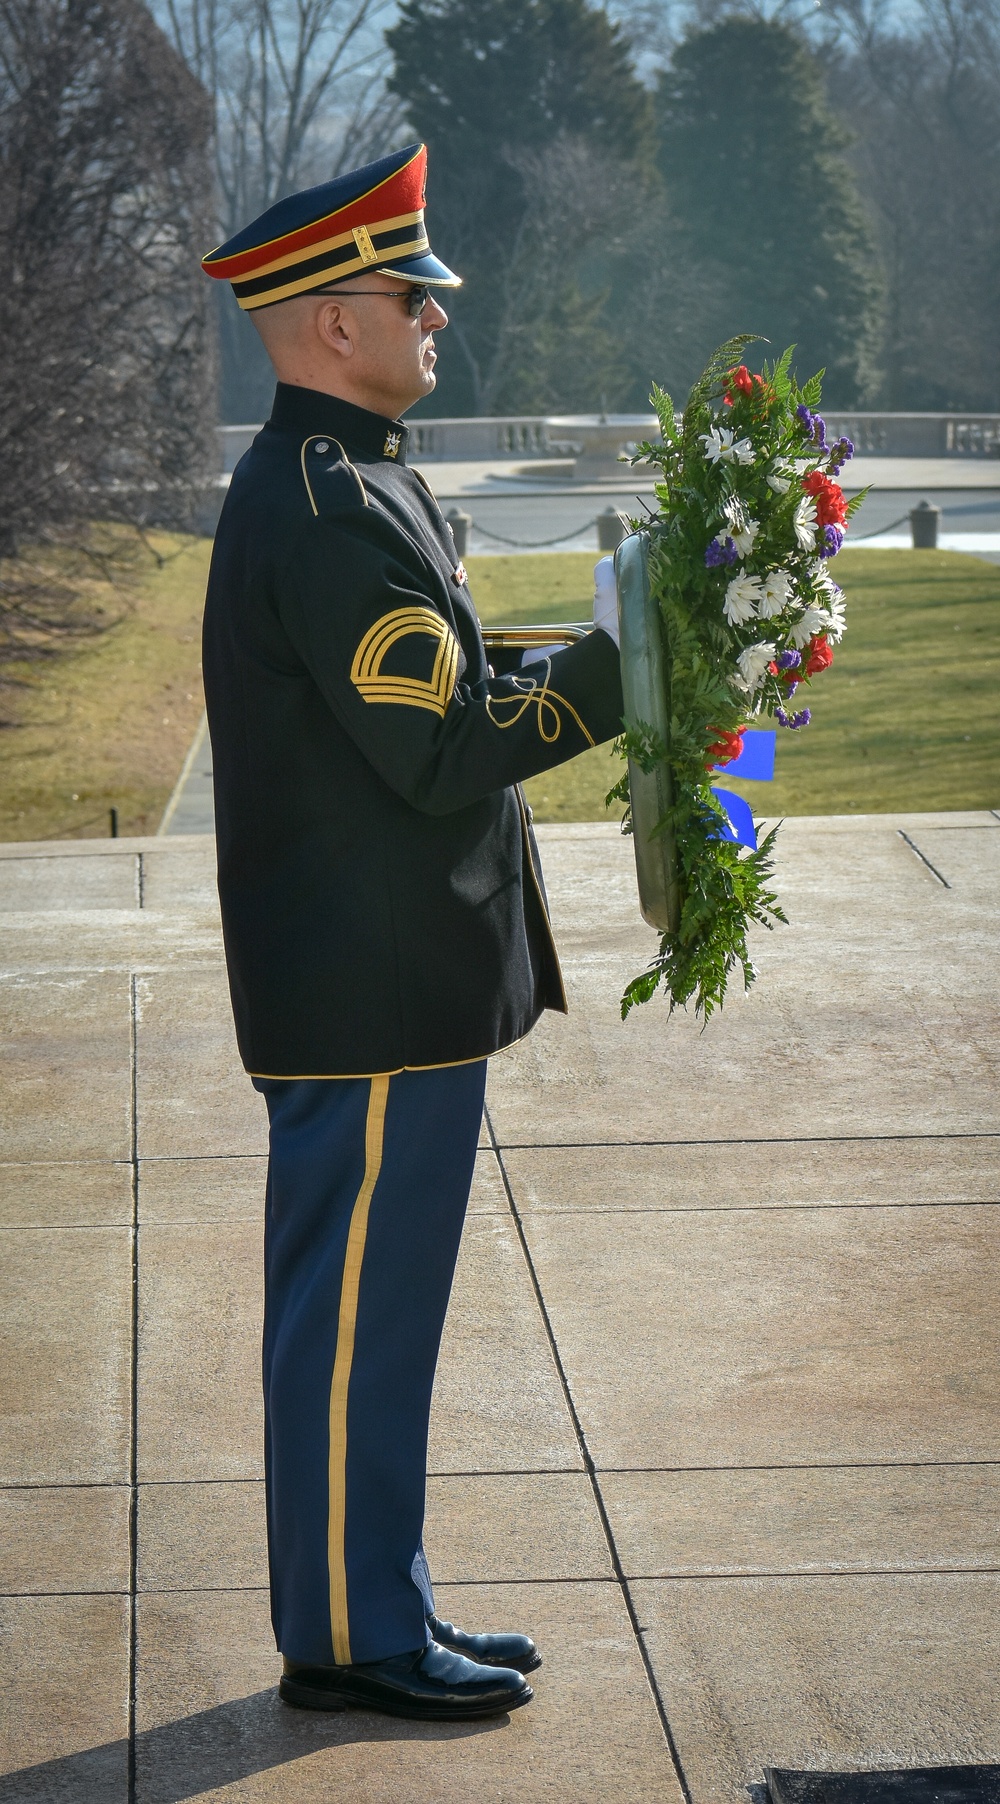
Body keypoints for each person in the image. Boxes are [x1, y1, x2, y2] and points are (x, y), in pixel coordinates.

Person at [200, 142, 623, 1722]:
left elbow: (430, 687)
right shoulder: (328, 507)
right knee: (354, 1337)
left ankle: (378, 1607)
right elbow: (442, 746)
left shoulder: (357, 475)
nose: (439, 325)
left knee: (376, 1332)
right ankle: (350, 1640)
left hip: (387, 993)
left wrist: (580, 647)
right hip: (370, 1002)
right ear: (327, 325)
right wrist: (617, 670)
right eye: (412, 302)